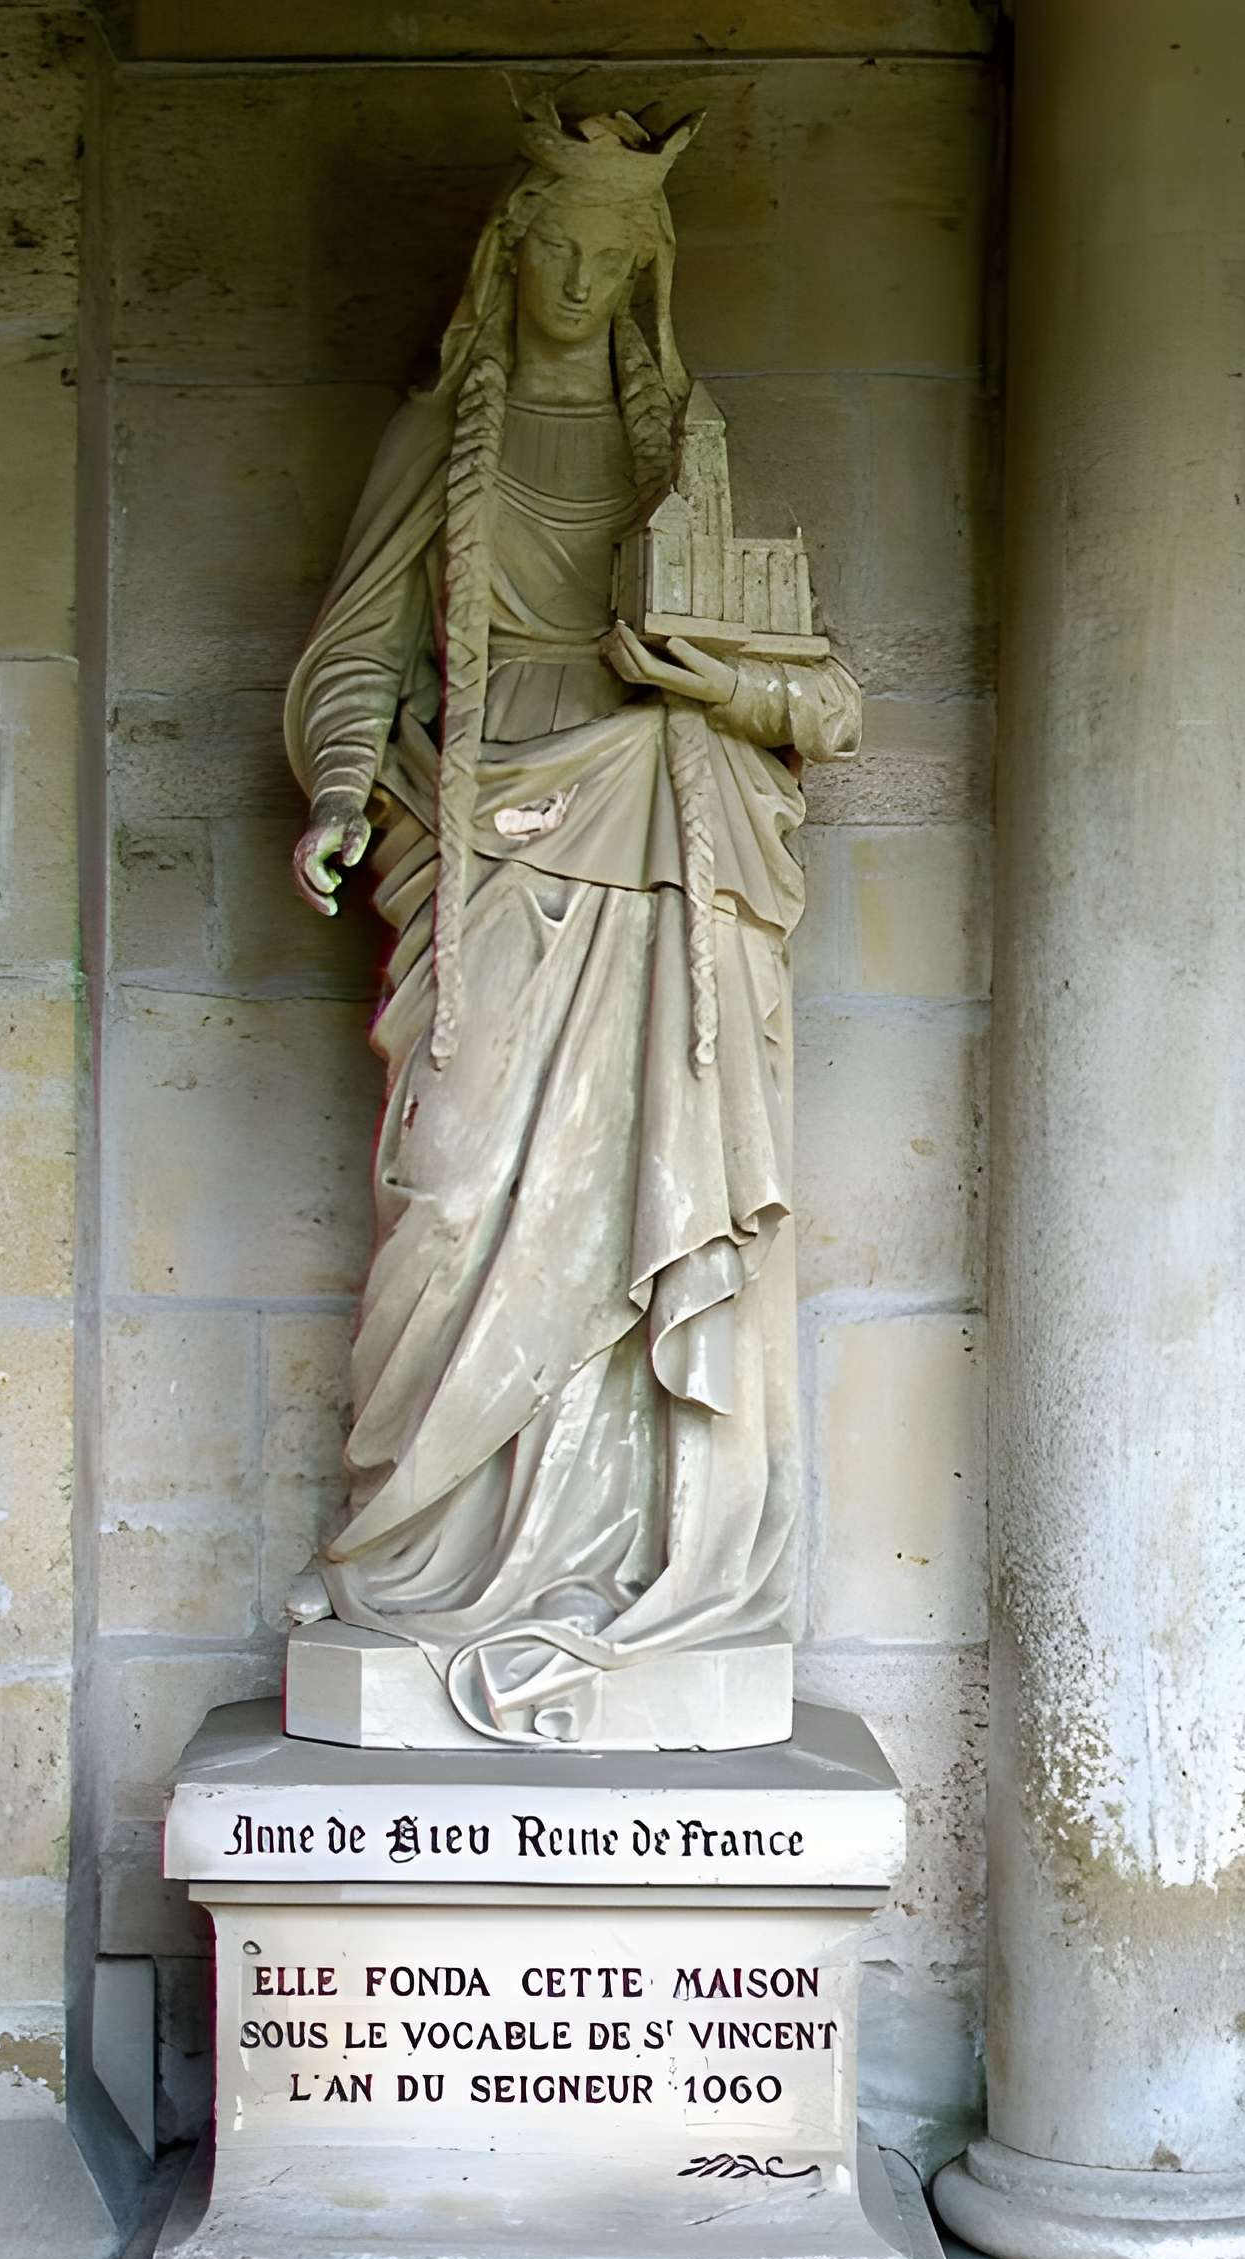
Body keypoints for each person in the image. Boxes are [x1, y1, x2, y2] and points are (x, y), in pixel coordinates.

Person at [285, 102, 862, 1745]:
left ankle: (619, 1564)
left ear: (645, 279)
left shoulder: (690, 453)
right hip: (482, 840)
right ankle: (419, 1557)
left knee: (643, 1199)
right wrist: (343, 790)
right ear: (510, 254)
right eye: (563, 250)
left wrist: (713, 684)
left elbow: (822, 699)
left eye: (616, 259)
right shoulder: (438, 440)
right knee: (459, 1188)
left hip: (668, 852)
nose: (583, 282)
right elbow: (355, 648)